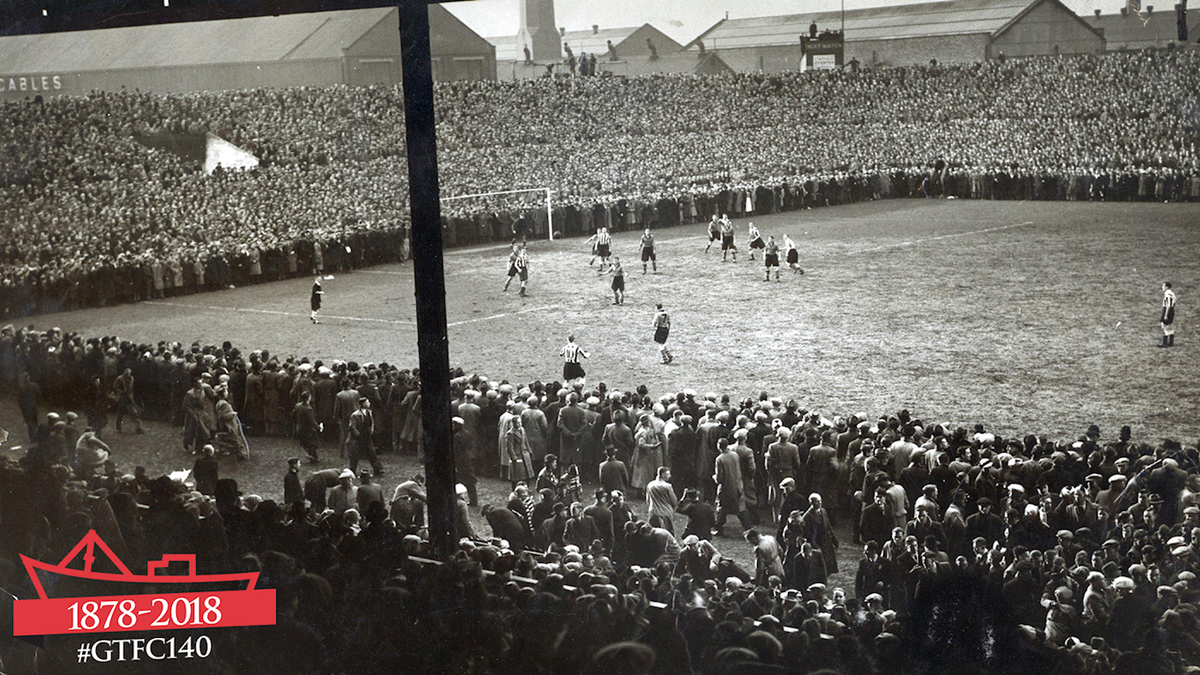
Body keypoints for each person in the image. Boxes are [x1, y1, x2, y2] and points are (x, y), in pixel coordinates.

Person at [348, 396, 383, 476]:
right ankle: (352, 471)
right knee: (355, 456)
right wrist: (358, 435)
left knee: (372, 453)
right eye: (367, 402)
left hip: (367, 436)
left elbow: (371, 423)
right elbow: (352, 427)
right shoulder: (355, 415)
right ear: (363, 404)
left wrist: (371, 431)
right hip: (358, 438)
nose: (369, 403)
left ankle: (378, 469)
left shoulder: (368, 412)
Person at [646, 467, 679, 534]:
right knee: (667, 534)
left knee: (652, 533)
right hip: (666, 512)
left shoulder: (650, 484)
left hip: (653, 512)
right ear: (663, 475)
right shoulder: (668, 486)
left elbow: (648, 500)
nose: (670, 476)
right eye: (668, 474)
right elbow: (674, 501)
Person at [111, 368, 143, 434]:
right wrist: (121, 392)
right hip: (122, 397)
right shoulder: (119, 378)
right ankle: (118, 428)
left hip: (129, 397)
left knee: (134, 413)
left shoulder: (131, 379)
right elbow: (115, 387)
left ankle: (138, 428)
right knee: (120, 413)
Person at [293, 390, 320, 462]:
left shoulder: (297, 405)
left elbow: (293, 415)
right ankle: (313, 457)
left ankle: (311, 455)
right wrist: (318, 427)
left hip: (299, 427)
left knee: (305, 443)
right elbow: (312, 422)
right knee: (313, 443)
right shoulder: (308, 409)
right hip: (307, 429)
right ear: (309, 398)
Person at [1161, 281, 1176, 347]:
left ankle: (1165, 343)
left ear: (1166, 287)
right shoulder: (1172, 294)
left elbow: (1168, 305)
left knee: (1164, 324)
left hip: (1168, 309)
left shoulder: (1167, 294)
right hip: (1172, 309)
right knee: (1170, 325)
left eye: (1163, 286)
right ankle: (1171, 342)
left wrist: (1166, 314)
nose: (1162, 287)